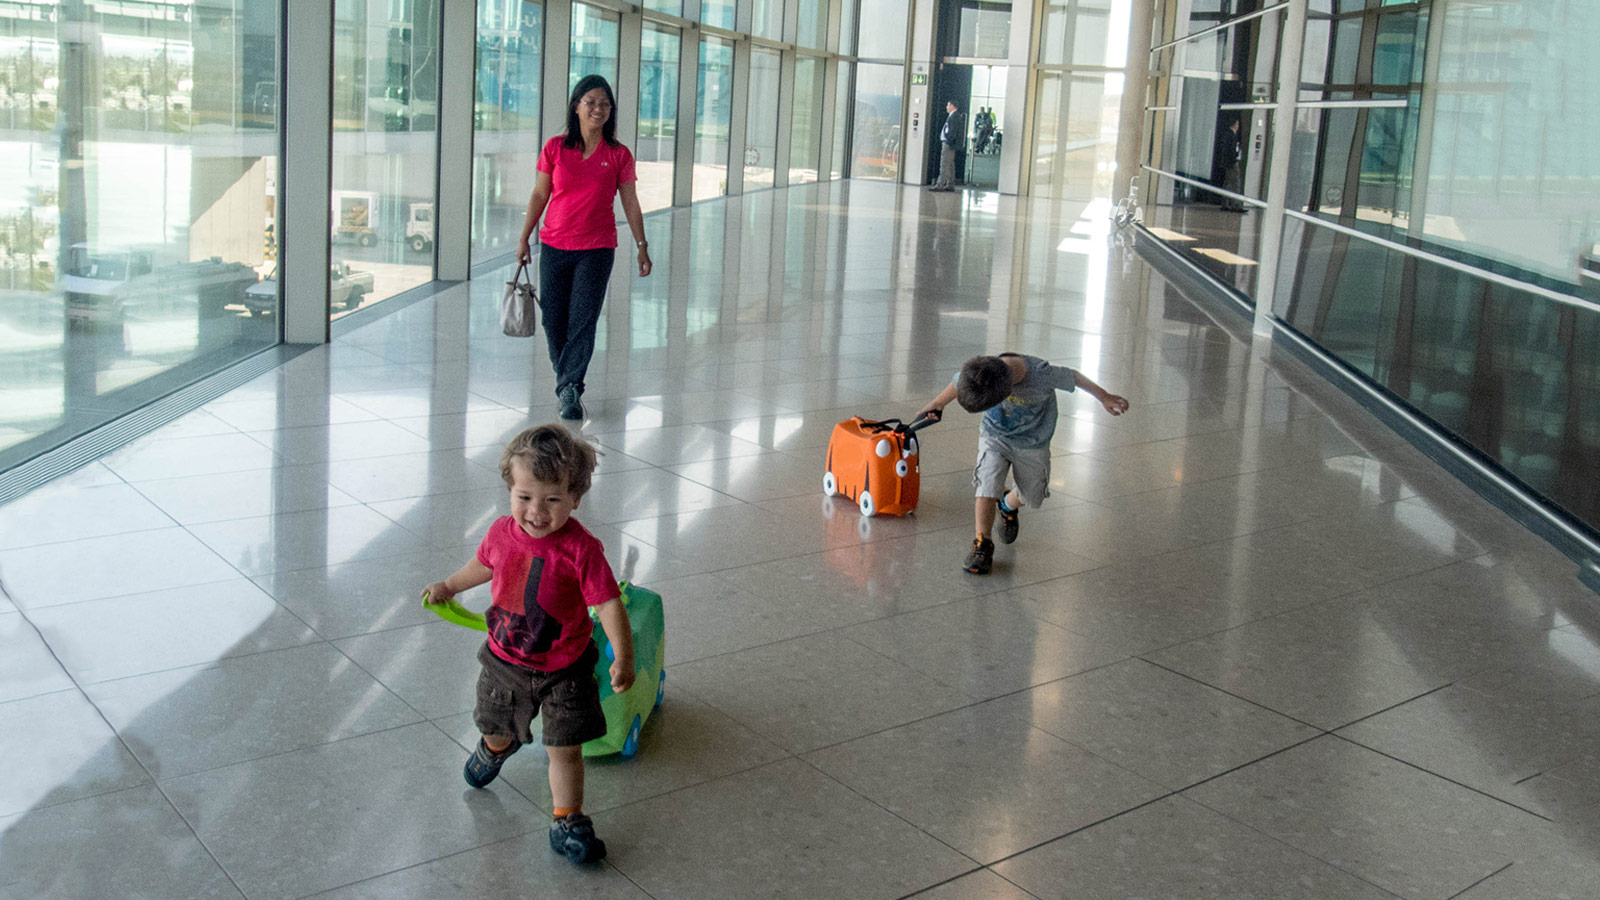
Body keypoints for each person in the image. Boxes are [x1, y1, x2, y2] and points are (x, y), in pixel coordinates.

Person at [423, 424, 634, 865]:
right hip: (504, 662)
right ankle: (496, 747)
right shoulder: (501, 534)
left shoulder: (582, 550)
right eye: (524, 497)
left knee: (565, 748)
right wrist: (449, 585)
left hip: (567, 669)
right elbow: (480, 566)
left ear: (575, 499)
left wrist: (623, 656)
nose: (536, 511)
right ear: (509, 490)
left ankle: (567, 819)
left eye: (552, 500)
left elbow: (608, 604)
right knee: (496, 726)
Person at [517, 75, 653, 421]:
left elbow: (631, 201)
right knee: (554, 320)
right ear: (576, 105)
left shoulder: (618, 154)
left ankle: (570, 387)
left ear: (611, 111)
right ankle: (567, 379)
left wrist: (642, 244)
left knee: (583, 319)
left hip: (597, 247)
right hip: (555, 244)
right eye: (590, 101)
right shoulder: (555, 147)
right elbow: (539, 194)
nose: (597, 108)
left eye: (604, 103)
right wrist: (524, 237)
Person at [917, 354, 1129, 574]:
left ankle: (1007, 505)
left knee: (1031, 496)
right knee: (986, 484)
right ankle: (982, 543)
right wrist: (938, 403)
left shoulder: (1042, 374)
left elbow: (1074, 377)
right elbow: (957, 383)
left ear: (1007, 390)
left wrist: (1104, 397)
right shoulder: (982, 372)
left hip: (1033, 442)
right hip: (994, 436)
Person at [930, 100, 965, 192]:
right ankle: (950, 184)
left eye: (948, 105)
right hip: (950, 143)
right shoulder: (953, 116)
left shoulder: (954, 117)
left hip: (949, 143)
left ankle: (940, 184)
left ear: (952, 106)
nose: (946, 107)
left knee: (944, 163)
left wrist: (948, 140)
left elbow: (952, 131)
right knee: (950, 165)